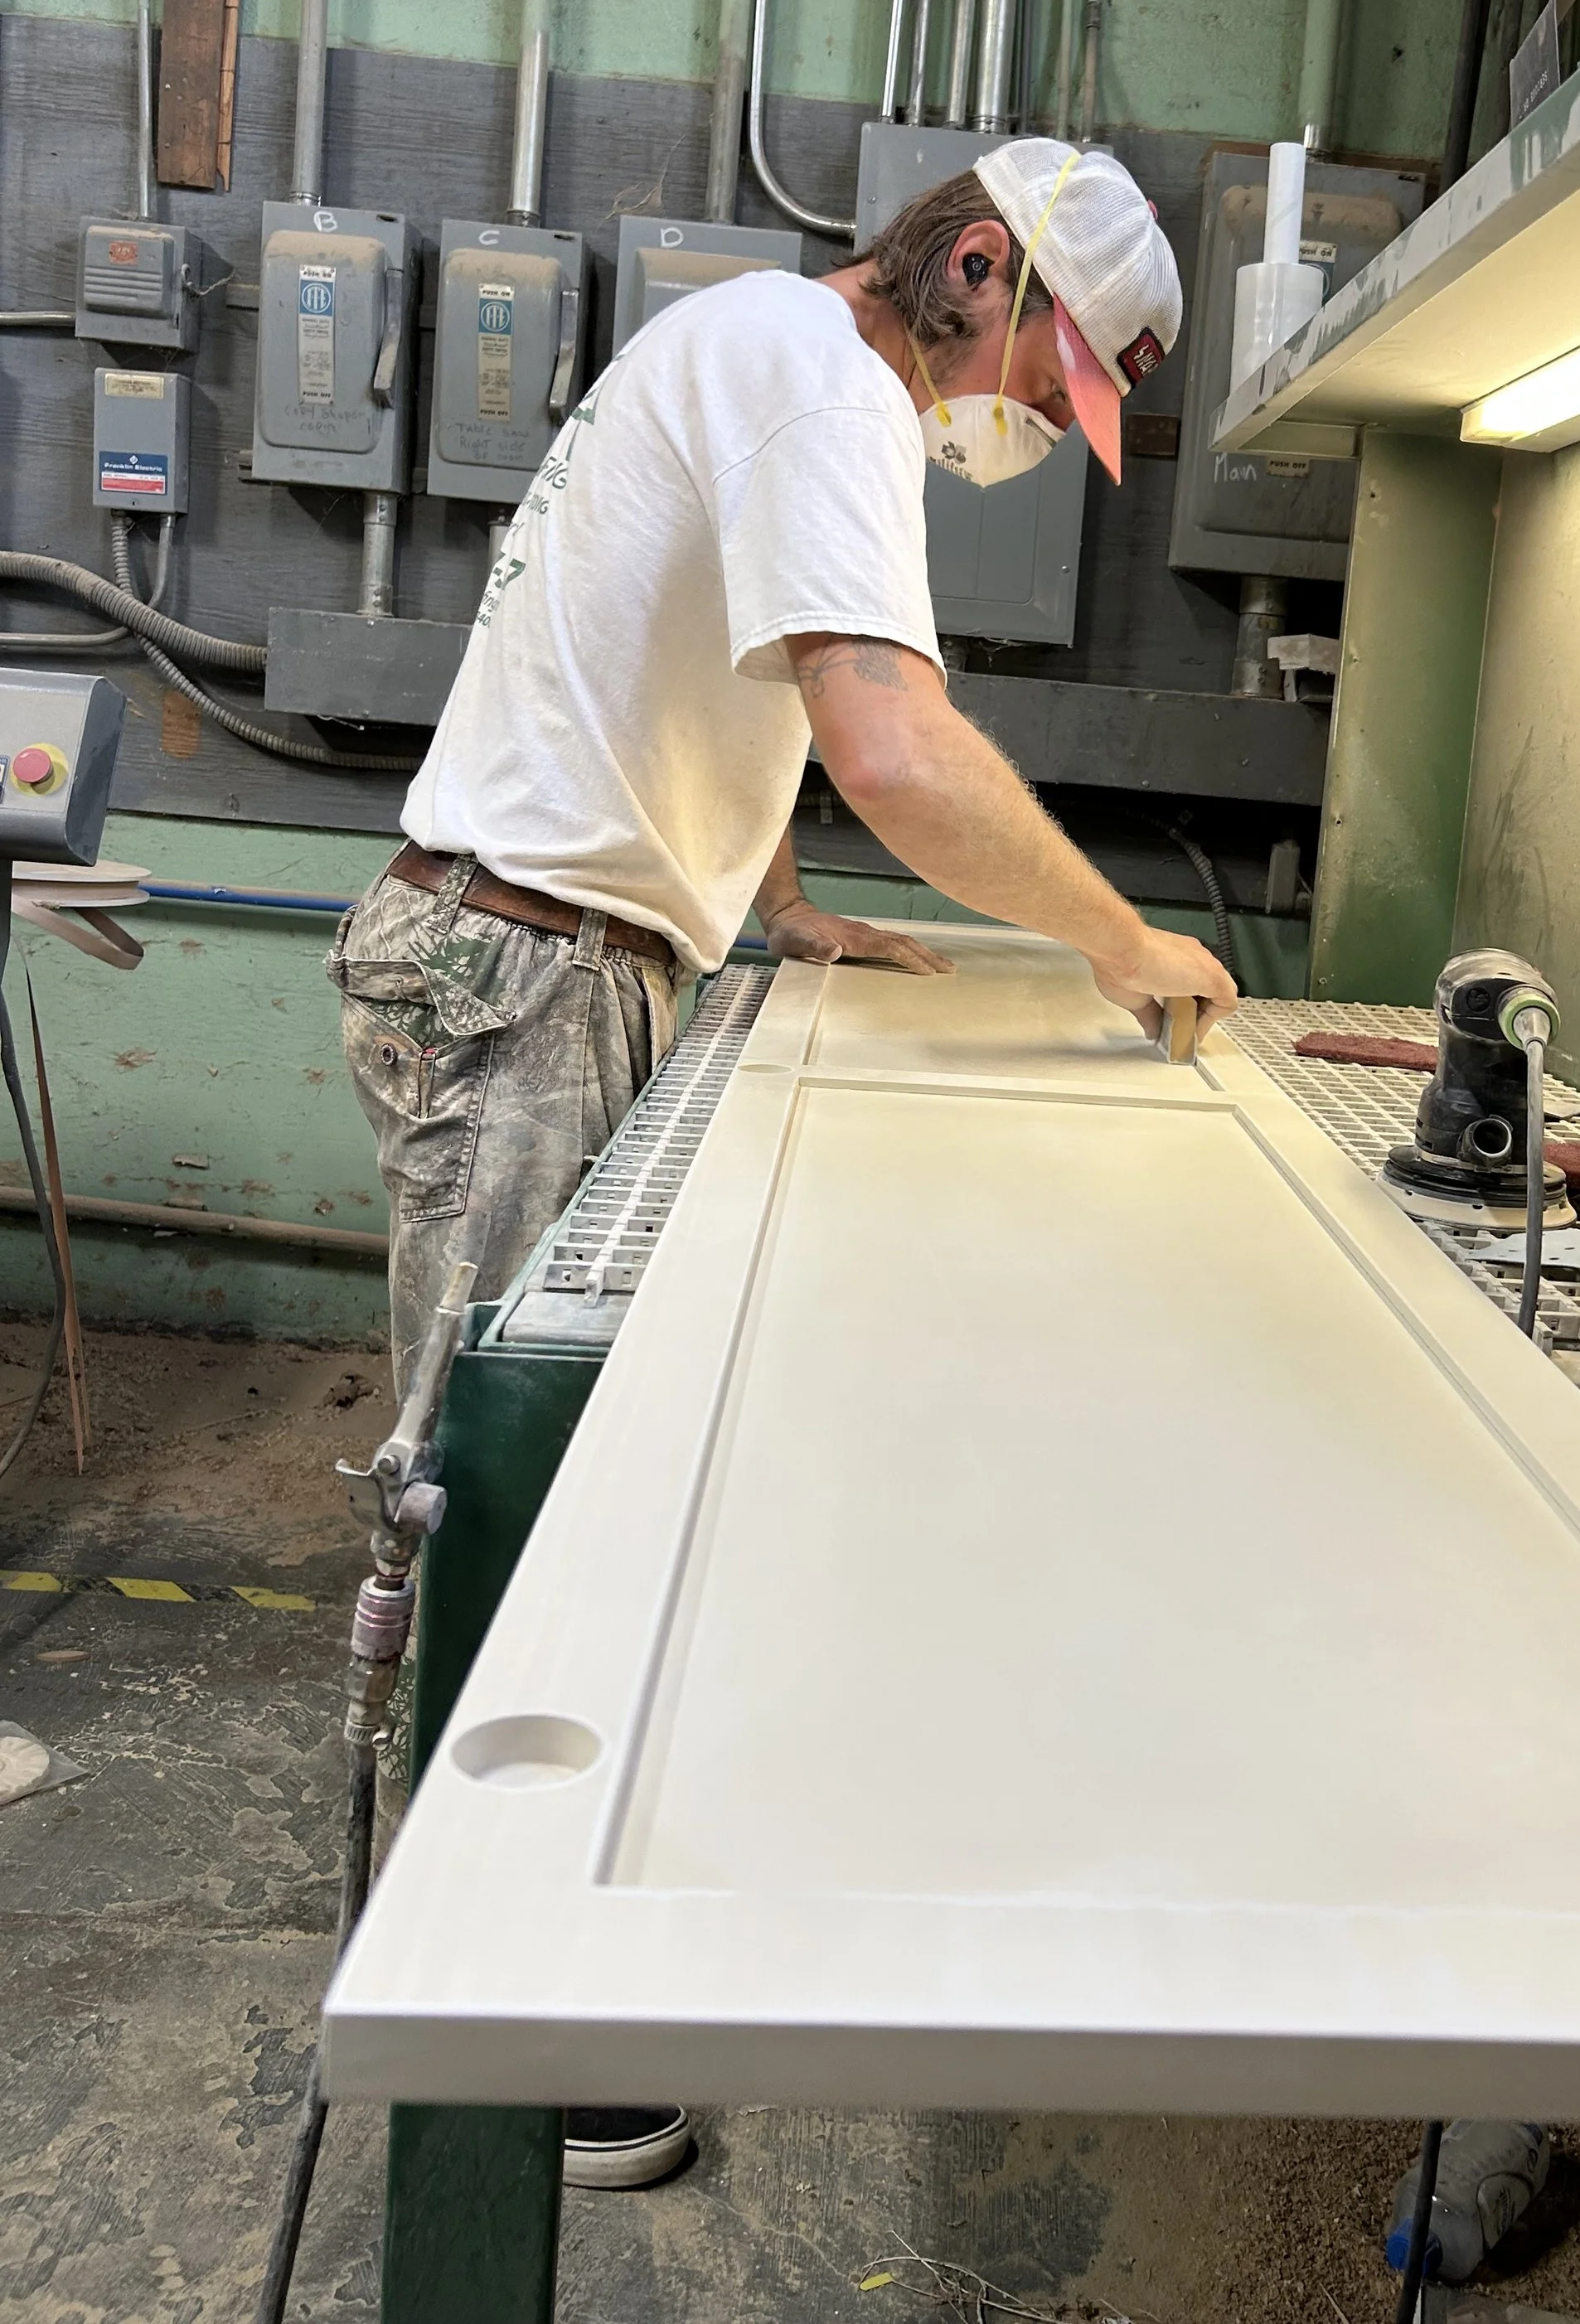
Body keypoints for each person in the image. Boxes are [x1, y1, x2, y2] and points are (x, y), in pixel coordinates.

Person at [329, 139, 1233, 2185]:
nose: (1030, 429)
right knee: (495, 1493)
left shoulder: (754, 344)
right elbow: (888, 739)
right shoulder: (830, 387)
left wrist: (771, 896)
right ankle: (475, 2036)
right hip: (524, 969)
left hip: (549, 944)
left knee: (544, 1474)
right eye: (1048, 379)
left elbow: (701, 677)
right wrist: (1120, 939)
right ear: (980, 267)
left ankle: (514, 1964)